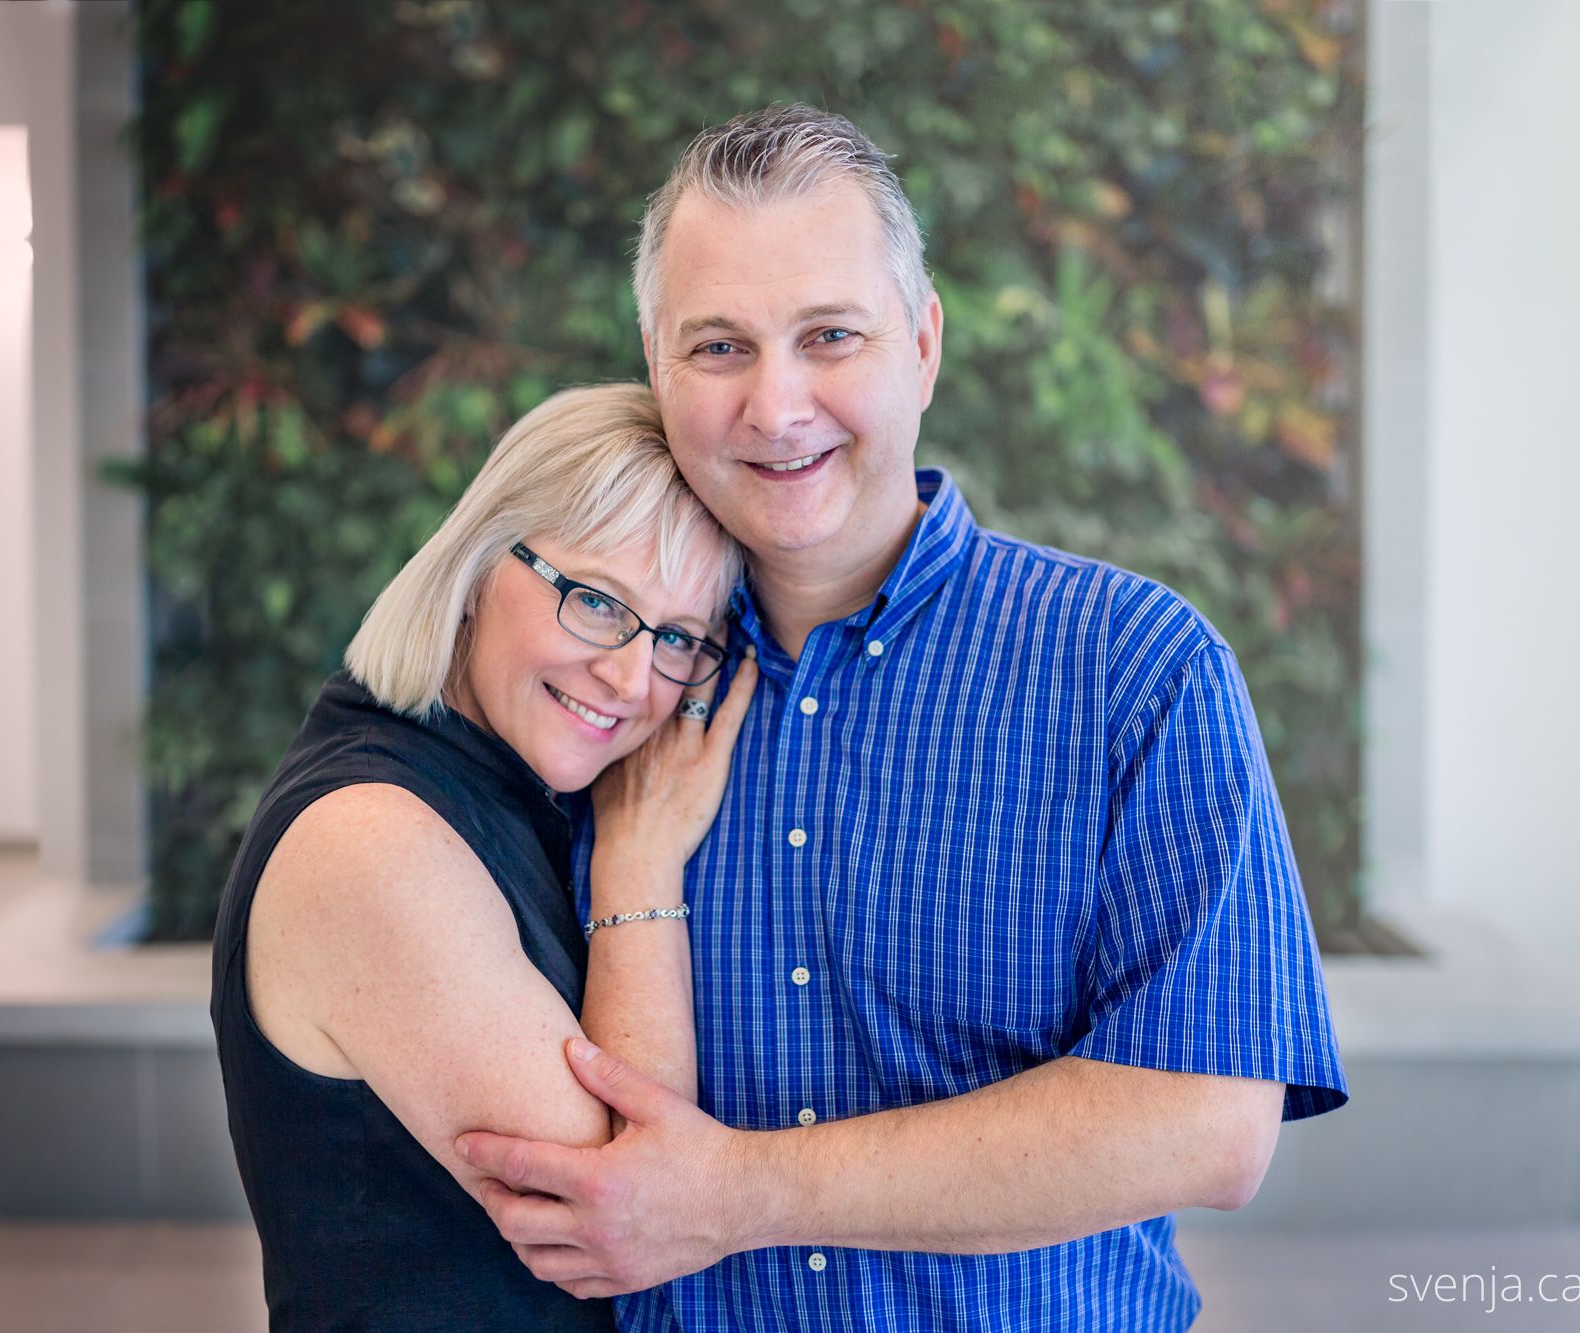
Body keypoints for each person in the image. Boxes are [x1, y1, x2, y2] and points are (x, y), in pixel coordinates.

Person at [455, 105, 1350, 1331]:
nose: (776, 408)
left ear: (922, 345)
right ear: (654, 369)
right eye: (717, 348)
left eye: (829, 335)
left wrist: (743, 1192)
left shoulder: (1131, 668)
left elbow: (1208, 1121)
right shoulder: (602, 692)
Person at [209, 382, 759, 1331]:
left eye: (678, 638)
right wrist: (639, 860)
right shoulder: (371, 841)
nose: (632, 677)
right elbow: (630, 1213)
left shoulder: (513, 786)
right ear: (474, 567)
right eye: (595, 602)